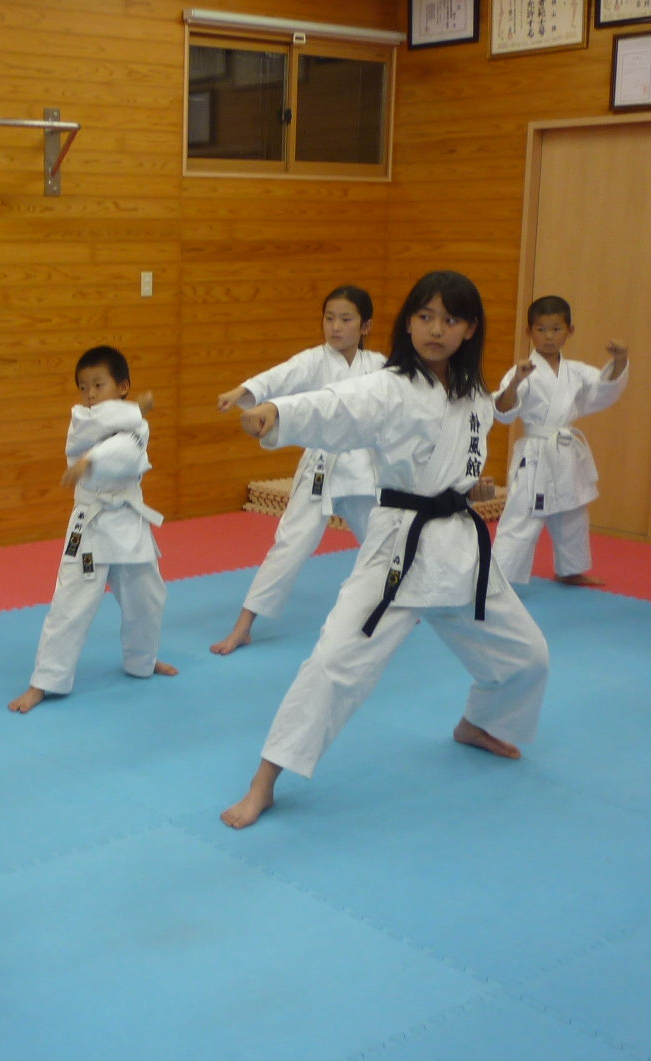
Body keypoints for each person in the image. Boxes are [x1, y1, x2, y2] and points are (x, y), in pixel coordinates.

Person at [218, 271, 550, 830]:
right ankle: (264, 781)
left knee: (529, 656)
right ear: (408, 324)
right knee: (332, 664)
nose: (435, 330)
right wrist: (280, 414)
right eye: (424, 317)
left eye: (449, 320)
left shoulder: (471, 394)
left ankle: (480, 724)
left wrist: (476, 481)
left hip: (460, 551)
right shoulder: (391, 385)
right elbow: (336, 404)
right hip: (399, 550)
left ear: (470, 329)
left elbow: (472, 442)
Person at [211, 285, 388, 655]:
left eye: (345, 319)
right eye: (329, 318)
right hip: (321, 470)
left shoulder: (380, 367)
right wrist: (242, 391)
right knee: (288, 547)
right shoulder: (313, 361)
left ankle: (401, 606)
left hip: (362, 471)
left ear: (366, 325)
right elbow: (279, 377)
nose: (335, 327)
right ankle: (243, 626)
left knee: (383, 542)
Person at [7, 346, 177, 714]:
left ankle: (142, 661)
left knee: (147, 597)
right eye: (83, 388)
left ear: (122, 387)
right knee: (70, 604)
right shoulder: (81, 421)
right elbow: (99, 435)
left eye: (99, 385)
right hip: (91, 525)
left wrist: (92, 460)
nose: (90, 395)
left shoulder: (138, 428)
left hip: (129, 520)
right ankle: (44, 681)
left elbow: (128, 453)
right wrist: (89, 458)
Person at [491, 295, 630, 586]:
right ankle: (499, 577)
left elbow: (603, 389)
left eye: (556, 328)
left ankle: (571, 569)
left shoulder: (576, 371)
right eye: (541, 329)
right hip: (536, 453)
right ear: (529, 332)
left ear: (570, 331)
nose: (549, 336)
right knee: (523, 514)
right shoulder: (524, 370)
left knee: (572, 510)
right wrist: (516, 381)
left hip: (565, 450)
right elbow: (503, 412)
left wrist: (619, 361)